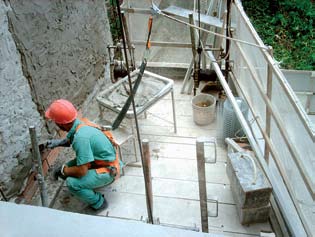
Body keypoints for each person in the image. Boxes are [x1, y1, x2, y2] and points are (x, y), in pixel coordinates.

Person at [45, 99, 121, 212]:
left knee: (71, 183)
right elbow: (70, 138)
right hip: (101, 160)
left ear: (60, 123)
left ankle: (98, 202)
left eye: (54, 121)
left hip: (109, 170)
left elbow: (82, 171)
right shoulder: (81, 123)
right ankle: (85, 182)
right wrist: (57, 143)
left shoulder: (81, 139)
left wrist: (64, 171)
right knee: (69, 166)